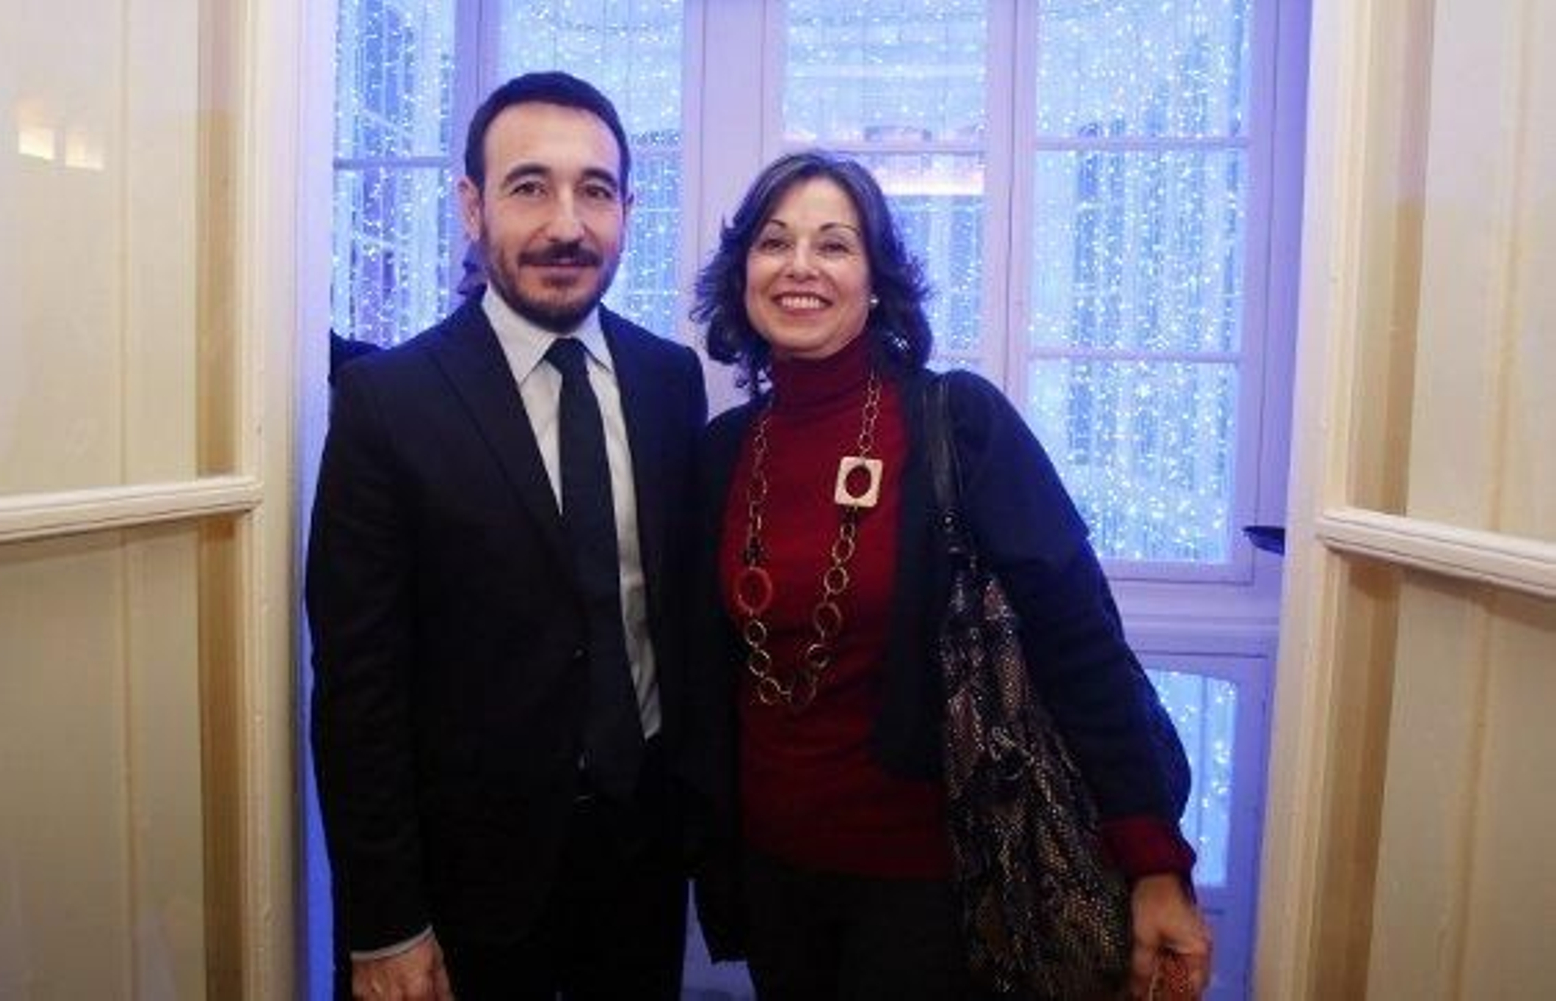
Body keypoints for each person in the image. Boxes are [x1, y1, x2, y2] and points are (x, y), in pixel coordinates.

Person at [682, 150, 1212, 999]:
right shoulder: (721, 453)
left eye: (835, 244)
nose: (801, 267)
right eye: (774, 242)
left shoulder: (958, 421)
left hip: (937, 880)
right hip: (775, 874)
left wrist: (1154, 859)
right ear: (743, 271)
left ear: (878, 280)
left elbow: (1081, 642)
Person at [307, 71, 707, 1000]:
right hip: (467, 879)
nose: (566, 224)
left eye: (595, 190)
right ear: (471, 205)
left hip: (643, 853)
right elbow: (357, 691)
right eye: (530, 186)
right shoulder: (387, 403)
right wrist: (384, 924)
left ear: (627, 209)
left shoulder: (667, 381)